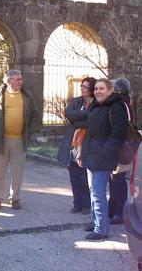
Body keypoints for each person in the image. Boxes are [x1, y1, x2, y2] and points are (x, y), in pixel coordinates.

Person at [0, 69, 41, 211]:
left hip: (20, 140)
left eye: (21, 79)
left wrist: (28, 132)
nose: (21, 81)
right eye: (17, 79)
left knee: (17, 172)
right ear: (8, 81)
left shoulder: (27, 96)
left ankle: (15, 198)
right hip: (1, 140)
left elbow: (36, 116)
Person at [80, 78, 127, 240]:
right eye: (96, 89)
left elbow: (117, 134)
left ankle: (101, 229)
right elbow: (89, 133)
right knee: (94, 192)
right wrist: (82, 153)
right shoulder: (95, 106)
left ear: (110, 91)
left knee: (98, 193)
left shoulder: (116, 107)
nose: (98, 91)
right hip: (91, 156)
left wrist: (104, 152)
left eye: (102, 88)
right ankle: (96, 222)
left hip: (103, 158)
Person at [57, 77, 96, 215]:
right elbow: (69, 113)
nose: (83, 89)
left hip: (88, 143)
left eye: (86, 87)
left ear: (91, 88)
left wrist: (79, 119)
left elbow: (94, 120)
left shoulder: (97, 103)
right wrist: (85, 116)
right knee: (74, 173)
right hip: (74, 143)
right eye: (82, 86)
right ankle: (77, 203)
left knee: (85, 174)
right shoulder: (76, 101)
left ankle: (87, 204)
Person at [108, 77, 132, 225]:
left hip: (121, 148)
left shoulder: (121, 104)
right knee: (115, 180)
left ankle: (119, 212)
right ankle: (113, 210)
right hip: (120, 147)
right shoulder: (123, 102)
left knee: (118, 181)